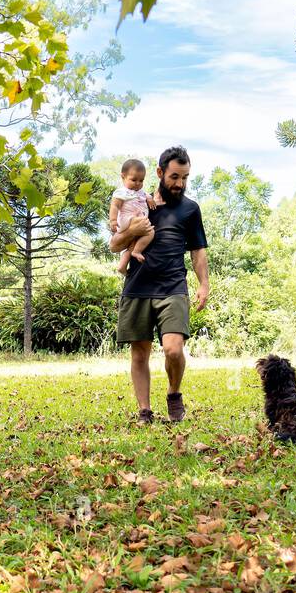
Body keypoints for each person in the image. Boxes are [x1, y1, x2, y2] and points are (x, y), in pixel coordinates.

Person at [108, 145, 210, 424]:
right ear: (160, 172)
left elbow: (198, 250)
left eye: (185, 178)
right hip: (138, 286)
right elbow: (115, 245)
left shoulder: (190, 209)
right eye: (175, 177)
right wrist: (132, 230)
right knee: (139, 353)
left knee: (173, 349)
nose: (180, 184)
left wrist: (204, 284)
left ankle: (174, 393)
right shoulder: (136, 202)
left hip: (173, 287)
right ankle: (144, 411)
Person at [108, 158, 163, 275]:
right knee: (150, 231)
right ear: (123, 177)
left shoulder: (141, 192)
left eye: (141, 180)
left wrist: (150, 200)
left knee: (132, 245)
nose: (138, 183)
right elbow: (115, 206)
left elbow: (147, 195)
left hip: (135, 220)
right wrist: (113, 220)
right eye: (133, 180)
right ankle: (137, 252)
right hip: (128, 220)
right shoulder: (121, 192)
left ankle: (122, 265)